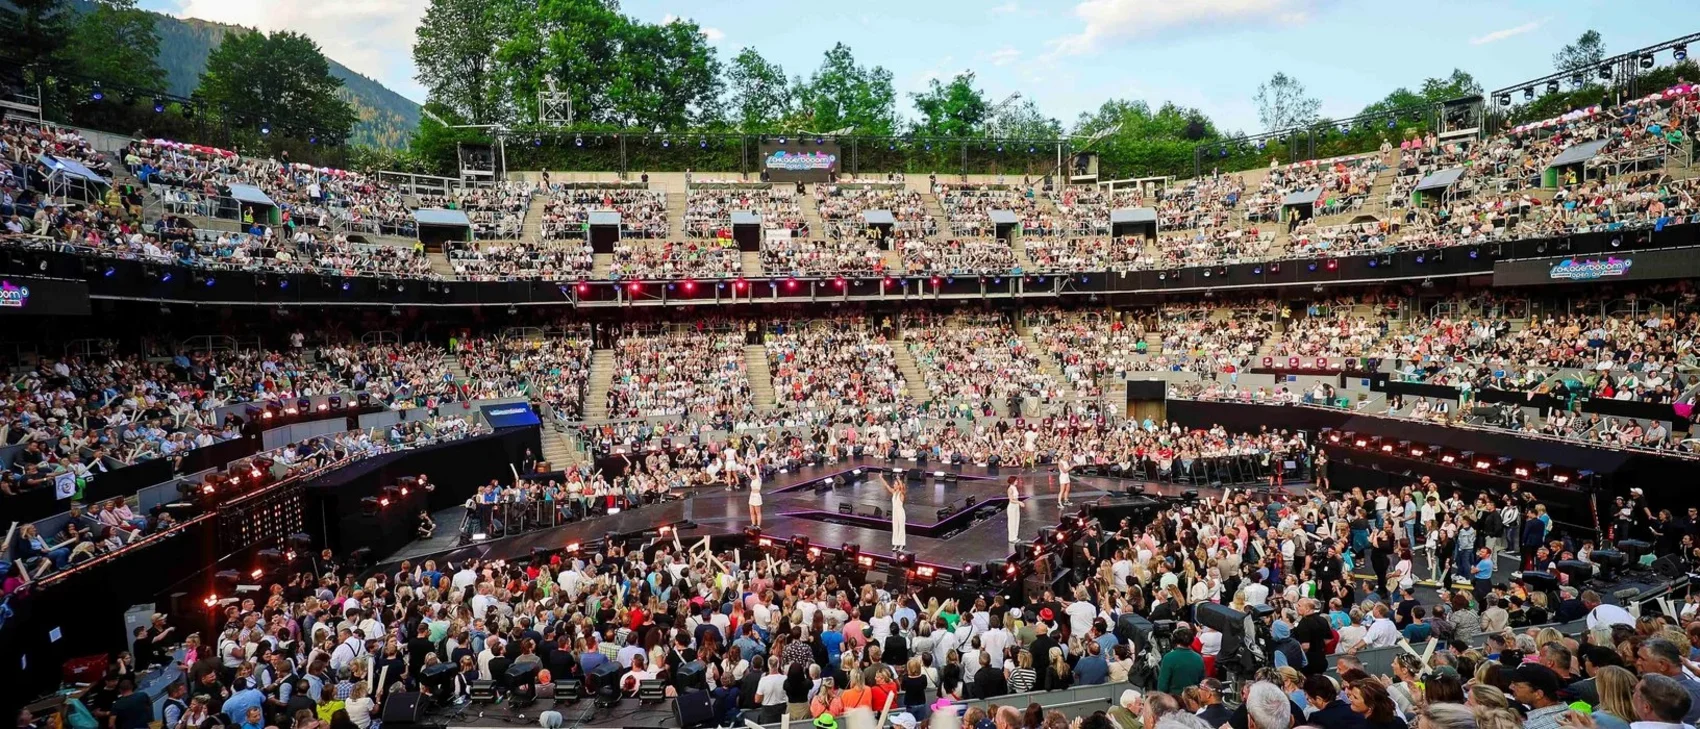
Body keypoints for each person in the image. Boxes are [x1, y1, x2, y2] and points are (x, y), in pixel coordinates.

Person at [1508, 664, 1567, 729]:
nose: (1510, 687)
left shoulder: (1533, 726)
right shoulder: (1573, 715)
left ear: (1538, 694)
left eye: (1516, 685)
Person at [1156, 626, 1204, 695]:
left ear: (1174, 640)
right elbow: (1201, 681)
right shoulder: (1198, 658)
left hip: (1174, 698)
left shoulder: (1169, 657)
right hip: (1193, 697)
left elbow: (1163, 684)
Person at [882, 474, 907, 552]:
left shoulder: (901, 493)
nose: (894, 485)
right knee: (895, 527)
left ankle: (902, 544)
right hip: (895, 512)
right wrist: (881, 478)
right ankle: (896, 543)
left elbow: (902, 487)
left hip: (900, 512)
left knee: (901, 528)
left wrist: (899, 480)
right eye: (894, 484)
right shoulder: (894, 492)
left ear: (899, 485)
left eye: (895, 484)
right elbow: (886, 485)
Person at [1007, 476, 1023, 550]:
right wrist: (1019, 502)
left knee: (1016, 521)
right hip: (1012, 507)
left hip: (1016, 506)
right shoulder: (1010, 489)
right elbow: (1011, 500)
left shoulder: (1014, 487)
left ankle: (1015, 536)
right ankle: (1011, 538)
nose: (1017, 481)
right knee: (1012, 522)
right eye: (1016, 480)